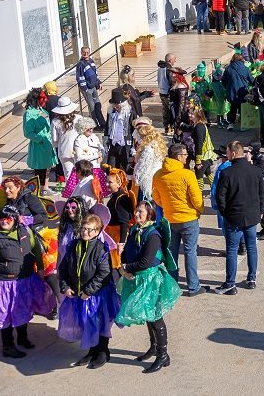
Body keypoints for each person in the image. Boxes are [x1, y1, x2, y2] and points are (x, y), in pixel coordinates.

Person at [116, 200, 182, 373]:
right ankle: (153, 348)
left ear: (150, 215)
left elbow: (146, 262)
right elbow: (127, 252)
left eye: (141, 212)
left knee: (154, 316)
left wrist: (126, 267)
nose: (137, 214)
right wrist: (123, 266)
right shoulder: (135, 230)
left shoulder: (153, 235)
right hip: (138, 277)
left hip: (150, 279)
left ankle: (163, 355)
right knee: (146, 314)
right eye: (136, 211)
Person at [0, 205, 56, 358]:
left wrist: (41, 268)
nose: (4, 222)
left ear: (15, 220)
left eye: (8, 219)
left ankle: (22, 338)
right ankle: (8, 346)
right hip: (5, 284)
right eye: (1, 219)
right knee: (6, 315)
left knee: (23, 309)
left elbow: (36, 249)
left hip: (25, 280)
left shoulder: (26, 231)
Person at [57, 212, 120, 368]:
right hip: (78, 293)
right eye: (84, 228)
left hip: (97, 295)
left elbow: (104, 274)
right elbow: (63, 268)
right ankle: (92, 351)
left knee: (100, 323)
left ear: (98, 232)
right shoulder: (73, 246)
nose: (86, 232)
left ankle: (103, 353)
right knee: (86, 323)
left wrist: (88, 291)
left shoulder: (100, 249)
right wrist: (65, 286)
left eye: (90, 230)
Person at [152, 143, 206, 297]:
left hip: (170, 219)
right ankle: (193, 286)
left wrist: (167, 206)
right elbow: (196, 198)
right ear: (178, 156)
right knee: (190, 252)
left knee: (171, 253)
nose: (186, 156)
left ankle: (172, 285)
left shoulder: (158, 175)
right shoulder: (187, 174)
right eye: (184, 154)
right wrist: (199, 210)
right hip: (188, 218)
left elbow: (156, 197)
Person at [214, 141, 262, 294]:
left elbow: (220, 197)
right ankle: (251, 279)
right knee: (251, 247)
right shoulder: (255, 171)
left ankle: (230, 283)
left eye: (227, 152)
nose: (226, 155)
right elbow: (262, 194)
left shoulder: (227, 173)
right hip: (251, 216)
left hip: (233, 217)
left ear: (233, 153)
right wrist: (260, 210)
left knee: (232, 250)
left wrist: (225, 213)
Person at [23, 88, 57, 196]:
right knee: (40, 169)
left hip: (48, 143)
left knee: (47, 168)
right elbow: (28, 132)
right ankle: (39, 190)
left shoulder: (41, 110)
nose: (45, 101)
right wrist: (40, 139)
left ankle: (45, 188)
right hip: (39, 145)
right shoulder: (29, 113)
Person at [75, 46, 105, 127]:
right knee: (92, 107)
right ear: (81, 53)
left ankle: (102, 123)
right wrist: (85, 89)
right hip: (87, 89)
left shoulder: (91, 61)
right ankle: (94, 125)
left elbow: (95, 73)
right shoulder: (80, 64)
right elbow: (80, 78)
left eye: (87, 52)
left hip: (93, 87)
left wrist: (98, 83)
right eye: (84, 52)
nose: (86, 54)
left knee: (97, 105)